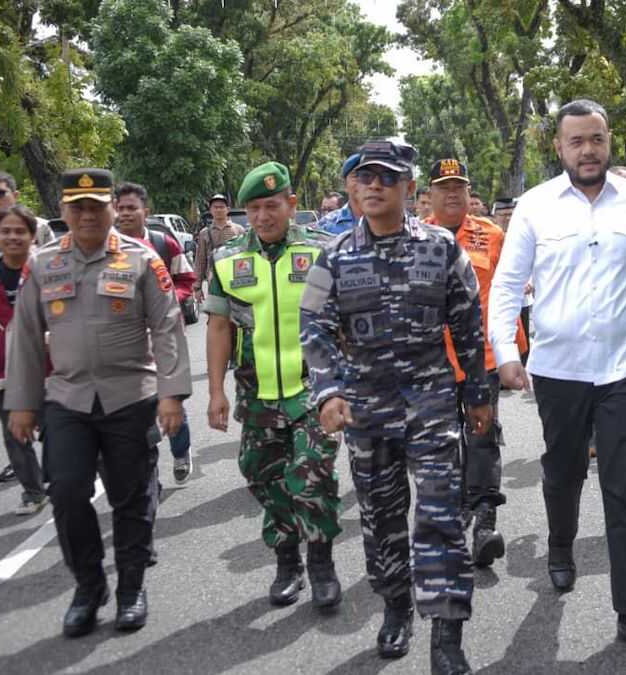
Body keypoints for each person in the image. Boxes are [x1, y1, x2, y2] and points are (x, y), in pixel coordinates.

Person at [488, 99, 626, 663]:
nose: (588, 150)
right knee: (564, 468)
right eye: (576, 141)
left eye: (596, 139)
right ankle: (559, 545)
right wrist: (506, 351)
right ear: (559, 148)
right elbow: (507, 286)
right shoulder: (535, 206)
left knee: (623, 483)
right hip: (559, 370)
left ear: (608, 141)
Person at [300, 140, 491, 673]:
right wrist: (328, 390)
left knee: (439, 515)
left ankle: (447, 633)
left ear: (409, 188)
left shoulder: (439, 248)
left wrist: (477, 393)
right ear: (352, 187)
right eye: (365, 177)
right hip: (366, 411)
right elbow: (313, 326)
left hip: (430, 405)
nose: (375, 186)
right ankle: (395, 606)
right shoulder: (334, 255)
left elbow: (467, 325)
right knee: (381, 518)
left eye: (387, 177)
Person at [5, 168, 191, 637]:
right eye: (77, 207)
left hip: (131, 396)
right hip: (67, 398)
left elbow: (168, 327)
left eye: (96, 205)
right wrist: (22, 405)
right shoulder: (43, 264)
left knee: (132, 498)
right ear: (64, 212)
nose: (87, 214)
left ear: (111, 207)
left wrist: (172, 395)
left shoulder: (142, 260)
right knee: (66, 492)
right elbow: (24, 335)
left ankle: (130, 588)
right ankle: (89, 587)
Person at [205, 162, 342, 611]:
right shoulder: (228, 260)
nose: (263, 216)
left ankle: (321, 562)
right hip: (257, 392)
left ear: (291, 205)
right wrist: (215, 392)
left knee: (311, 474)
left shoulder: (323, 251)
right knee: (262, 475)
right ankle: (287, 560)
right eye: (254, 208)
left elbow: (343, 321)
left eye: (272, 205)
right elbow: (219, 327)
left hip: (313, 390)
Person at [424, 158, 529, 569]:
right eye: (444, 186)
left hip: (479, 359)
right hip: (430, 364)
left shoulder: (492, 236)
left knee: (483, 437)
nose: (453, 193)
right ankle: (454, 515)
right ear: (429, 194)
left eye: (460, 186)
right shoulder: (415, 239)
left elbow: (508, 296)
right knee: (442, 445)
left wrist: (514, 352)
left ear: (469, 193)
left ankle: (485, 522)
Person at [0, 170, 57, 484]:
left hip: (40, 329)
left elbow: (58, 271)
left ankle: (61, 460)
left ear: (14, 195)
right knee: (11, 411)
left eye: (0, 193)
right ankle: (25, 470)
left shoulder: (41, 228)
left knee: (52, 411)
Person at [114, 182, 199, 486]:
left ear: (145, 211)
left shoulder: (164, 244)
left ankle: (180, 452)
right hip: (128, 345)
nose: (125, 214)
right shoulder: (108, 249)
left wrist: (166, 300)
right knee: (135, 409)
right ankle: (147, 476)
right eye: (120, 208)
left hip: (164, 336)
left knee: (170, 399)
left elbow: (187, 279)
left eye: (131, 208)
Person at [193, 193, 245, 304]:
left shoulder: (239, 230)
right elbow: (200, 260)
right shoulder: (204, 233)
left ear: (227, 209)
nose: (218, 210)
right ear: (211, 210)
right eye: (215, 207)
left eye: (221, 207)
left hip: (235, 280)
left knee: (237, 314)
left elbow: (246, 257)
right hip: (214, 281)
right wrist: (197, 287)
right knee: (216, 314)